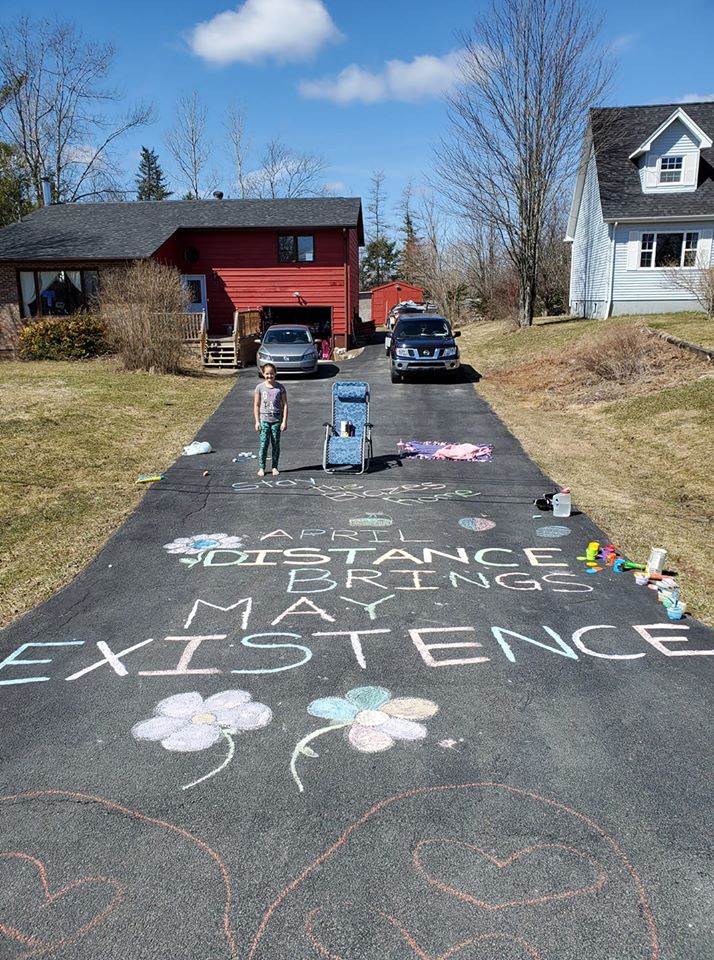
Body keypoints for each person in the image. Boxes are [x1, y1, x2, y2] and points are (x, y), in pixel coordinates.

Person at [253, 364, 288, 476]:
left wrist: (284, 421)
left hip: (276, 420)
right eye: (267, 373)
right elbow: (257, 405)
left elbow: (285, 405)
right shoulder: (260, 388)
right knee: (264, 444)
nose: (269, 376)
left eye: (272, 373)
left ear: (275, 373)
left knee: (275, 444)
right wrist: (257, 421)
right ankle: (261, 467)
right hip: (264, 420)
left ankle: (274, 467)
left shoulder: (280, 388)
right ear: (263, 374)